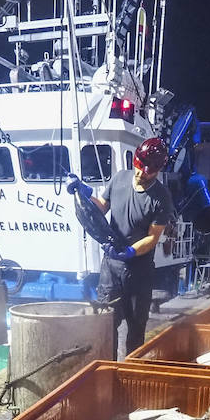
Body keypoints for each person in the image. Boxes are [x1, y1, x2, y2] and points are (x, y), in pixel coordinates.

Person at [66, 137, 176, 356]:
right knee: (105, 324)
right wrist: (82, 192)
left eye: (147, 172)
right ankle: (106, 369)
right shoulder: (119, 178)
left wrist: (130, 251)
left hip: (139, 270)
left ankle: (129, 374)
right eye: (138, 167)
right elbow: (101, 208)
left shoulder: (161, 197)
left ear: (157, 170)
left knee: (136, 329)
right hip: (111, 268)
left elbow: (153, 238)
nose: (140, 174)